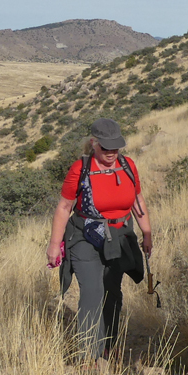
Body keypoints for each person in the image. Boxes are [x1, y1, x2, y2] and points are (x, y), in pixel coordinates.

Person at [46, 118, 153, 361]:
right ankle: (88, 355)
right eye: (106, 148)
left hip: (118, 237)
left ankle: (109, 344)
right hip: (85, 236)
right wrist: (54, 245)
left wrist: (147, 234)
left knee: (112, 292)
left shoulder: (128, 166)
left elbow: (138, 201)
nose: (112, 153)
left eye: (116, 147)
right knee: (92, 293)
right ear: (94, 143)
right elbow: (64, 207)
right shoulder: (80, 168)